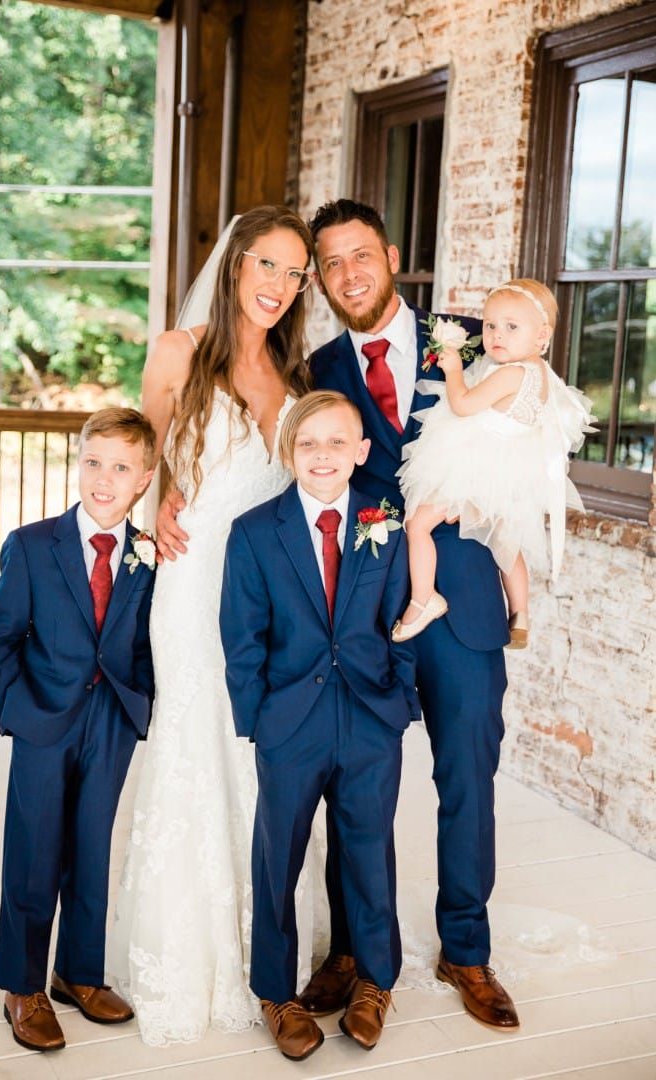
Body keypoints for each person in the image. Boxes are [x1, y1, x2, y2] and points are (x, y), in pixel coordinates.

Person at [303, 198, 519, 1028]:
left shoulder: (475, 336)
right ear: (321, 279)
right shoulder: (319, 365)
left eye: (362, 254)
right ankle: (356, 946)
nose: (349, 273)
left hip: (460, 597)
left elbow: (534, 430)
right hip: (357, 609)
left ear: (392, 254)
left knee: (467, 773)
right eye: (332, 263)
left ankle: (466, 949)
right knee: (354, 783)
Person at [106, 205, 319, 1045]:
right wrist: (151, 512)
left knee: (266, 762)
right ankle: (193, 953)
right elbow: (139, 460)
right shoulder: (177, 353)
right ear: (234, 266)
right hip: (193, 592)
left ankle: (268, 950)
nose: (279, 285)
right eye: (266, 264)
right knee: (202, 751)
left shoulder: (294, 376)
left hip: (273, 602)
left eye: (294, 273)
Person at [220, 391, 419, 1060]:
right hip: (290, 722)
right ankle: (276, 992)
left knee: (369, 847)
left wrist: (398, 697)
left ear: (363, 452)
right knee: (277, 856)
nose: (324, 455)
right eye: (309, 443)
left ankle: (375, 978)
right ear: (288, 452)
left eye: (339, 442)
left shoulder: (384, 520)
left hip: (369, 715)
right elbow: (241, 638)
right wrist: (260, 720)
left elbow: (405, 616)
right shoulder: (255, 531)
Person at [0, 407, 156, 1053]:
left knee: (91, 849)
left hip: (110, 722)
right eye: (93, 463)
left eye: (120, 468)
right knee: (33, 852)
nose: (103, 480)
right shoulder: (33, 545)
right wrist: (19, 714)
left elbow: (145, 643)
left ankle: (77, 972)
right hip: (44, 722)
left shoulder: (147, 555)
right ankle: (20, 985)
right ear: (78, 464)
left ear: (144, 478)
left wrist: (139, 706)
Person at [393, 279, 594, 644]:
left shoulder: (511, 373)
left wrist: (453, 368)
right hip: (510, 474)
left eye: (511, 327)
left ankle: (424, 599)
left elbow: (464, 405)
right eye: (490, 325)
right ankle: (520, 613)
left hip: (474, 467)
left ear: (541, 335)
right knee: (507, 544)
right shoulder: (544, 375)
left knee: (418, 524)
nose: (496, 335)